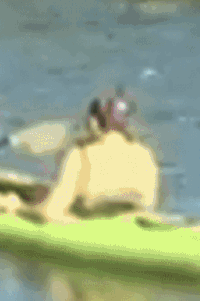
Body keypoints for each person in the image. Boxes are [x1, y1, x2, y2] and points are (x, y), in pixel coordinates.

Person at [35, 93, 159, 224]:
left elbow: (52, 211)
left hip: (92, 225)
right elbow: (149, 204)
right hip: (133, 224)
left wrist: (18, 207)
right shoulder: (145, 154)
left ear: (94, 121)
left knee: (13, 201)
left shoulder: (81, 153)